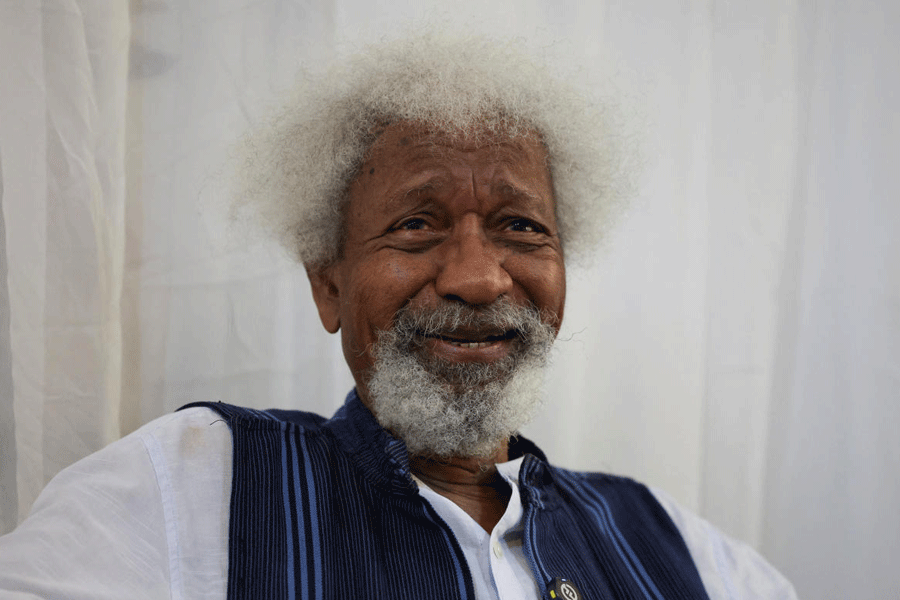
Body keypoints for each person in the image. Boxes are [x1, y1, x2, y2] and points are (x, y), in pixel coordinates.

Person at [0, 35, 797, 599]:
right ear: (329, 284)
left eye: (522, 227)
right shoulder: (190, 487)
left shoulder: (682, 550)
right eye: (416, 225)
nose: (481, 280)